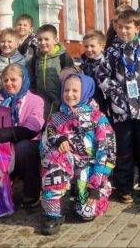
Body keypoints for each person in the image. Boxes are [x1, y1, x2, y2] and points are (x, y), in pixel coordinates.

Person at [97, 9, 140, 203]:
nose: (123, 31)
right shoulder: (111, 52)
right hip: (121, 110)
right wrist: (117, 92)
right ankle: (124, 188)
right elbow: (102, 76)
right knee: (124, 150)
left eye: (127, 27)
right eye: (120, 27)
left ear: (137, 28)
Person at [40, 74, 116, 235]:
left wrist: (96, 187)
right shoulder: (56, 118)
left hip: (88, 168)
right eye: (66, 90)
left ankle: (88, 192)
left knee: (87, 212)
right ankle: (54, 212)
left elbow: (107, 153)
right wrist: (58, 139)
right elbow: (45, 142)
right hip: (64, 165)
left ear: (85, 92)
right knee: (54, 155)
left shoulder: (98, 118)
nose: (69, 94)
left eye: (75, 90)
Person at [0, 64, 44, 208]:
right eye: (5, 80)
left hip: (24, 148)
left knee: (24, 147)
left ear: (23, 79)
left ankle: (31, 192)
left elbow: (31, 129)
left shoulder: (36, 101)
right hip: (2, 150)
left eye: (13, 80)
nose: (9, 83)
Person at [28, 24, 73, 119]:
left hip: (59, 100)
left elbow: (71, 80)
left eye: (46, 39)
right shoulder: (35, 59)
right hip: (40, 99)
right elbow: (31, 79)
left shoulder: (63, 57)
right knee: (41, 123)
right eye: (40, 39)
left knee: (56, 123)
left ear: (55, 40)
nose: (42, 42)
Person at [79, 30, 110, 116]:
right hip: (88, 99)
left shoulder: (107, 62)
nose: (89, 49)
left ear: (102, 47)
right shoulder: (83, 62)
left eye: (92, 46)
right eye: (86, 46)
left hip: (103, 100)